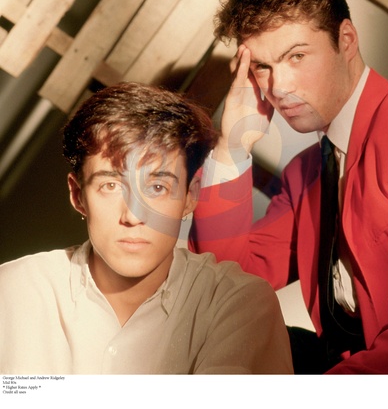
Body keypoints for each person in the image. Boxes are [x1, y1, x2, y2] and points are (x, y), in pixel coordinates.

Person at [189, 0, 388, 374]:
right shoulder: (306, 171)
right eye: (262, 67)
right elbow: (228, 284)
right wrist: (232, 148)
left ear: (346, 40)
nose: (279, 86)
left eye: (296, 56)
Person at [0, 82, 293, 375]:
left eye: (157, 187)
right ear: (78, 195)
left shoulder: (237, 304)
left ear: (190, 196)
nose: (133, 216)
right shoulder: (15, 290)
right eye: (111, 185)